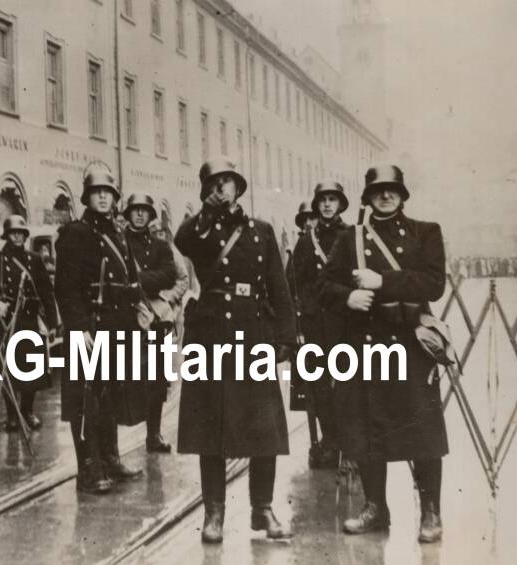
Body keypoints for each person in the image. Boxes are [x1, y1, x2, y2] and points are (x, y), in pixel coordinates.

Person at [319, 165, 447, 543]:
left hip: (410, 344)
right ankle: (376, 507)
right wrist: (347, 297)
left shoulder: (426, 232)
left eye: (392, 190)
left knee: (422, 431)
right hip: (368, 345)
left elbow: (434, 283)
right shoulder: (350, 238)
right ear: (368, 197)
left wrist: (383, 282)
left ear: (403, 195)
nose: (385, 196)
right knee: (366, 428)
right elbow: (324, 284)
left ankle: (430, 512)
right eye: (378, 191)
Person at [175, 158, 296, 543]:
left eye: (227, 182)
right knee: (210, 429)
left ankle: (262, 509)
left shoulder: (261, 231)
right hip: (210, 338)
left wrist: (285, 338)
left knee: (265, 430)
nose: (221, 188)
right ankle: (214, 513)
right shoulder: (202, 231)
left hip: (254, 336)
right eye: (213, 183)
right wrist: (206, 212)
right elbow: (183, 241)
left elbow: (279, 287)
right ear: (205, 191)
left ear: (239, 188)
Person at [55, 165, 146, 494]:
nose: (104, 196)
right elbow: (66, 290)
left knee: (109, 396)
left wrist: (138, 306)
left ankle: (110, 458)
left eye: (108, 192)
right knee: (86, 401)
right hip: (89, 327)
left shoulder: (118, 233)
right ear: (87, 197)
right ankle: (89, 469)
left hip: (114, 326)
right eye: (97, 192)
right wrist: (80, 330)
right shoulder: (75, 234)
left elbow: (125, 281)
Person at [287, 182, 350, 469]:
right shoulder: (305, 241)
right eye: (322, 200)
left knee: (348, 383)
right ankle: (330, 440)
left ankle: (350, 443)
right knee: (319, 386)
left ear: (340, 204)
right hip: (314, 324)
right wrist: (297, 321)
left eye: (332, 199)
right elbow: (293, 283)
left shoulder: (351, 236)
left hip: (346, 321)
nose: (326, 205)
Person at [0, 215, 59, 430]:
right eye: (13, 232)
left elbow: (46, 292)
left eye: (21, 232)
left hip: (28, 320)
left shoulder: (34, 260)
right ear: (6, 235)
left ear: (25, 235)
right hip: (6, 323)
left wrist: (53, 323)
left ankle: (27, 410)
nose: (17, 236)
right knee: (8, 370)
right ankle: (12, 414)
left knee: (30, 369)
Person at [123, 193, 177, 453]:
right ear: (128, 214)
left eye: (145, 210)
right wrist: (147, 279)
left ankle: (153, 435)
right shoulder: (119, 243)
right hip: (130, 316)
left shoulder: (160, 246)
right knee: (130, 379)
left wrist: (140, 279)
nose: (140, 214)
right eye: (135, 210)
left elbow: (169, 276)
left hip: (158, 318)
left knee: (157, 381)